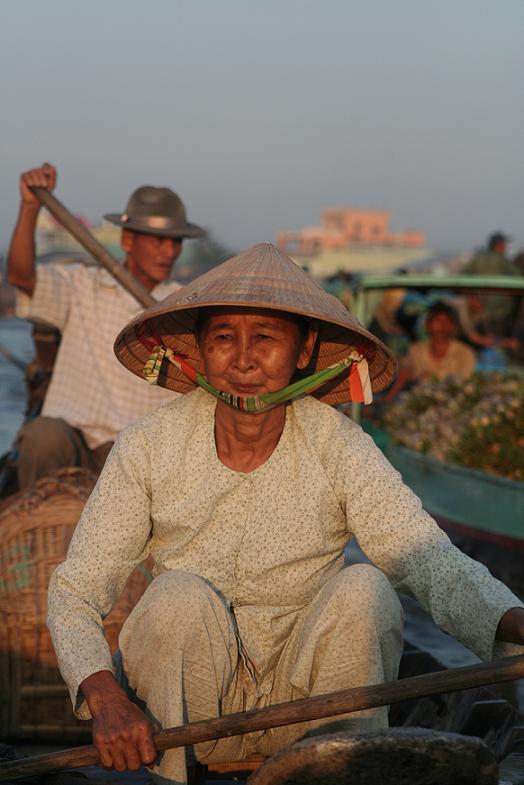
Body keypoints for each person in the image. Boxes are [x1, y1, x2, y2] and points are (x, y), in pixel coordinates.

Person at [47, 244, 524, 785]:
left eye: (266, 338)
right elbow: (76, 591)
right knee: (176, 596)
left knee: (366, 587)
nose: (244, 360)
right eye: (224, 337)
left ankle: (347, 770)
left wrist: (515, 623)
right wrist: (104, 696)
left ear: (304, 351)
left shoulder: (340, 445)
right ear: (201, 352)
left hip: (310, 704)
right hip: (191, 710)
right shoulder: (148, 446)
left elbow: (425, 559)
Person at [7, 163, 205, 490]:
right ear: (128, 240)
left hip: (137, 457)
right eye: (158, 241)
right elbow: (20, 276)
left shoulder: (183, 307)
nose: (169, 251)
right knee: (43, 435)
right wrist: (30, 207)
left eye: (175, 242)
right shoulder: (82, 285)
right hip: (76, 445)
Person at [384, 301, 476, 401]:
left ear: (454, 327)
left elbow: (462, 386)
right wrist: (389, 398)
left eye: (447, 321)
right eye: (438, 320)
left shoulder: (465, 354)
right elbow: (404, 374)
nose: (442, 326)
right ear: (427, 325)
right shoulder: (415, 350)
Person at [462, 231, 518, 340]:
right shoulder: (502, 260)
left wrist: (472, 297)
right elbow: (518, 276)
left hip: (479, 312)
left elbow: (462, 276)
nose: (505, 248)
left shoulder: (478, 258)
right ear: (499, 245)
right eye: (504, 245)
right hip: (499, 312)